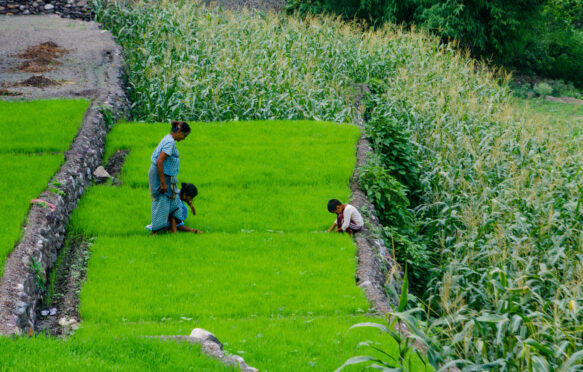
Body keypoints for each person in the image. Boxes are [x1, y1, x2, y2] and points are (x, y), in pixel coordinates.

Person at [149, 120, 191, 234]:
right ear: (178, 131)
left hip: (167, 176)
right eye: (184, 135)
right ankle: (155, 233)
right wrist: (163, 182)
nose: (184, 138)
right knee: (161, 202)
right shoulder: (170, 142)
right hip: (161, 176)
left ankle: (173, 231)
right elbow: (159, 161)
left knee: (173, 202)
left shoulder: (168, 139)